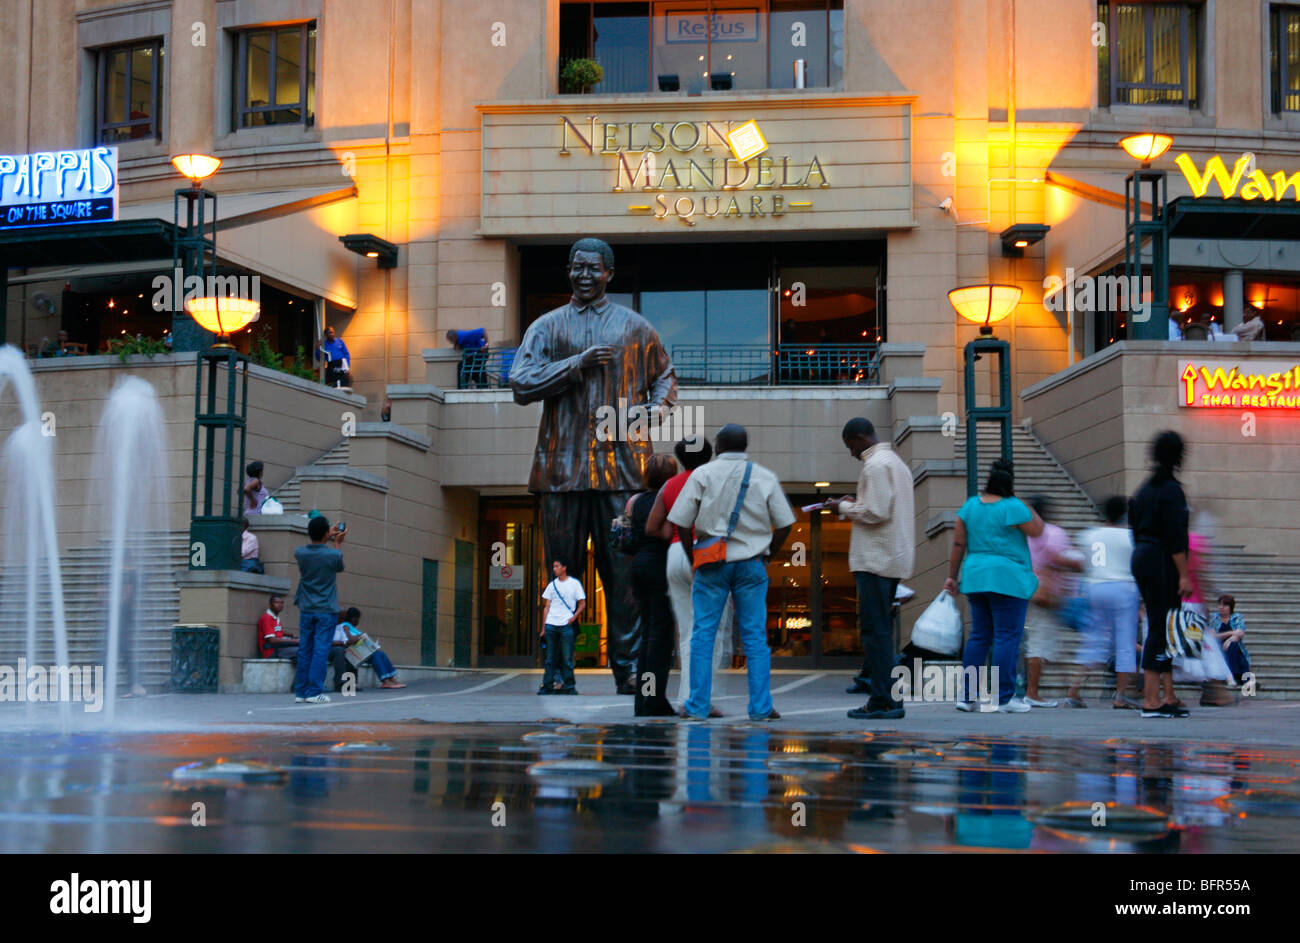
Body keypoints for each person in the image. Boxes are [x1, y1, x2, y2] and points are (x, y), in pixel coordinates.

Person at [509, 237, 676, 695]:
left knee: (623, 578)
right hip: (561, 471)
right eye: (577, 268)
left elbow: (665, 381)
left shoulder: (635, 328)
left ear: (609, 274)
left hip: (621, 472)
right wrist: (574, 365)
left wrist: (650, 414)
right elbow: (520, 383)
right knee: (560, 577)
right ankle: (558, 675)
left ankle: (628, 673)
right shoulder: (547, 326)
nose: (584, 276)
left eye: (593, 269)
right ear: (569, 271)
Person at [667, 423, 795, 722]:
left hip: (711, 564)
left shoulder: (702, 474)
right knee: (754, 637)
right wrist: (768, 555)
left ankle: (696, 706)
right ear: (745, 446)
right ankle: (761, 707)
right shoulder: (764, 477)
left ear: (719, 447)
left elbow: (682, 522)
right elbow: (786, 523)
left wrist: (692, 557)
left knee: (702, 635)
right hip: (751, 563)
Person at [829, 417, 915, 721]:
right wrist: (856, 503)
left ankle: (883, 700)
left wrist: (841, 507)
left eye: (849, 446)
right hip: (892, 557)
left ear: (858, 438)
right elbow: (883, 507)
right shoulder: (895, 463)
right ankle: (889, 698)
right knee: (881, 631)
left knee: (874, 631)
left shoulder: (875, 465)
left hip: (876, 559)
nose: (851, 453)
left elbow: (876, 512)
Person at [944, 458, 1044, 712]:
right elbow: (1037, 530)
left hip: (975, 577)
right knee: (1007, 637)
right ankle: (1004, 698)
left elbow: (958, 545)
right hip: (1008, 578)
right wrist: (1023, 503)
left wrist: (951, 576)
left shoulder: (969, 507)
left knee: (979, 636)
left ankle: (966, 697)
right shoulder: (1013, 506)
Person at [645, 435, 732, 716]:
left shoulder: (669, 485)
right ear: (709, 456)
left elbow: (652, 527)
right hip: (707, 555)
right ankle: (698, 700)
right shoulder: (716, 480)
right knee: (713, 631)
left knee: (687, 631)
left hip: (675, 556)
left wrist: (670, 534)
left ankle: (687, 698)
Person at [1128, 430, 1193, 718]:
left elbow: (1135, 527)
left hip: (1142, 555)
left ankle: (1167, 695)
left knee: (1161, 624)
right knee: (1160, 625)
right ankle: (1151, 700)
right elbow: (1175, 537)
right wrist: (1183, 574)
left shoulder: (1143, 490)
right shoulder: (1172, 491)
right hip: (1161, 559)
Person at [1064, 495, 1142, 709]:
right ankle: (1120, 695)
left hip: (1095, 588)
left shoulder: (1090, 535)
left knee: (1093, 639)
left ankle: (1074, 690)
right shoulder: (1132, 537)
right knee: (1125, 641)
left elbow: (1082, 562)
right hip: (1123, 588)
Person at [627, 453, 680, 717]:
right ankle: (655, 700)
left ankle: (644, 700)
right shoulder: (668, 500)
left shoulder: (634, 501)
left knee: (648, 635)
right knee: (661, 638)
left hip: (638, 566)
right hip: (661, 566)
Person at [1021, 495, 1084, 708]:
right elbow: (1060, 558)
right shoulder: (1054, 533)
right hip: (1046, 595)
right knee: (1040, 641)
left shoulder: (1022, 534)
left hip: (1024, 590)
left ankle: (1033, 688)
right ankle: (1033, 692)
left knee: (1041, 640)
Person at [292, 515, 346, 703]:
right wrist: (336, 542)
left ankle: (300, 691)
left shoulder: (300, 553)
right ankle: (314, 692)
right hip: (325, 609)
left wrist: (325, 537)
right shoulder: (333, 554)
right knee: (320, 651)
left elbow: (314, 549)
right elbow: (339, 566)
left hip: (306, 608)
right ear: (325, 533)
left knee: (304, 649)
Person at [539, 559, 586, 695]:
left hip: (566, 624)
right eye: (553, 566)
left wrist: (573, 618)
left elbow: (582, 603)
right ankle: (547, 685)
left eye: (557, 566)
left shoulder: (574, 584)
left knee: (567, 658)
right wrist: (543, 628)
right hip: (551, 624)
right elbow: (546, 607)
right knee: (549, 658)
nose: (554, 569)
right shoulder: (552, 585)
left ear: (564, 568)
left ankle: (569, 686)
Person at [332, 607, 407, 691]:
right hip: (355, 652)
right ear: (354, 618)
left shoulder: (353, 628)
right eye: (358, 619)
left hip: (361, 651)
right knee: (375, 656)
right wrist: (359, 638)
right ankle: (385, 681)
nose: (358, 621)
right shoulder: (345, 626)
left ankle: (392, 679)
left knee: (380, 653)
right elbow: (348, 639)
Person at [1211, 594, 1250, 686]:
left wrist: (1229, 641)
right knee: (1239, 657)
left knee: (1234, 647)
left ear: (1230, 607)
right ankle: (1241, 678)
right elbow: (1212, 636)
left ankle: (1237, 676)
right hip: (1217, 648)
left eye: (1225, 605)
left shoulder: (1237, 617)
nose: (1221, 607)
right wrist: (1231, 633)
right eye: (1220, 604)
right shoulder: (1214, 617)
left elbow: (1240, 633)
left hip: (1233, 647)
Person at [257, 594, 298, 660]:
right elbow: (272, 640)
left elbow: (278, 632)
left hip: (280, 648)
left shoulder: (275, 618)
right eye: (277, 602)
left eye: (282, 603)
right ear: (270, 604)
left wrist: (291, 635)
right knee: (301, 651)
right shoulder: (267, 618)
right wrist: (294, 641)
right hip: (271, 651)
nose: (280, 605)